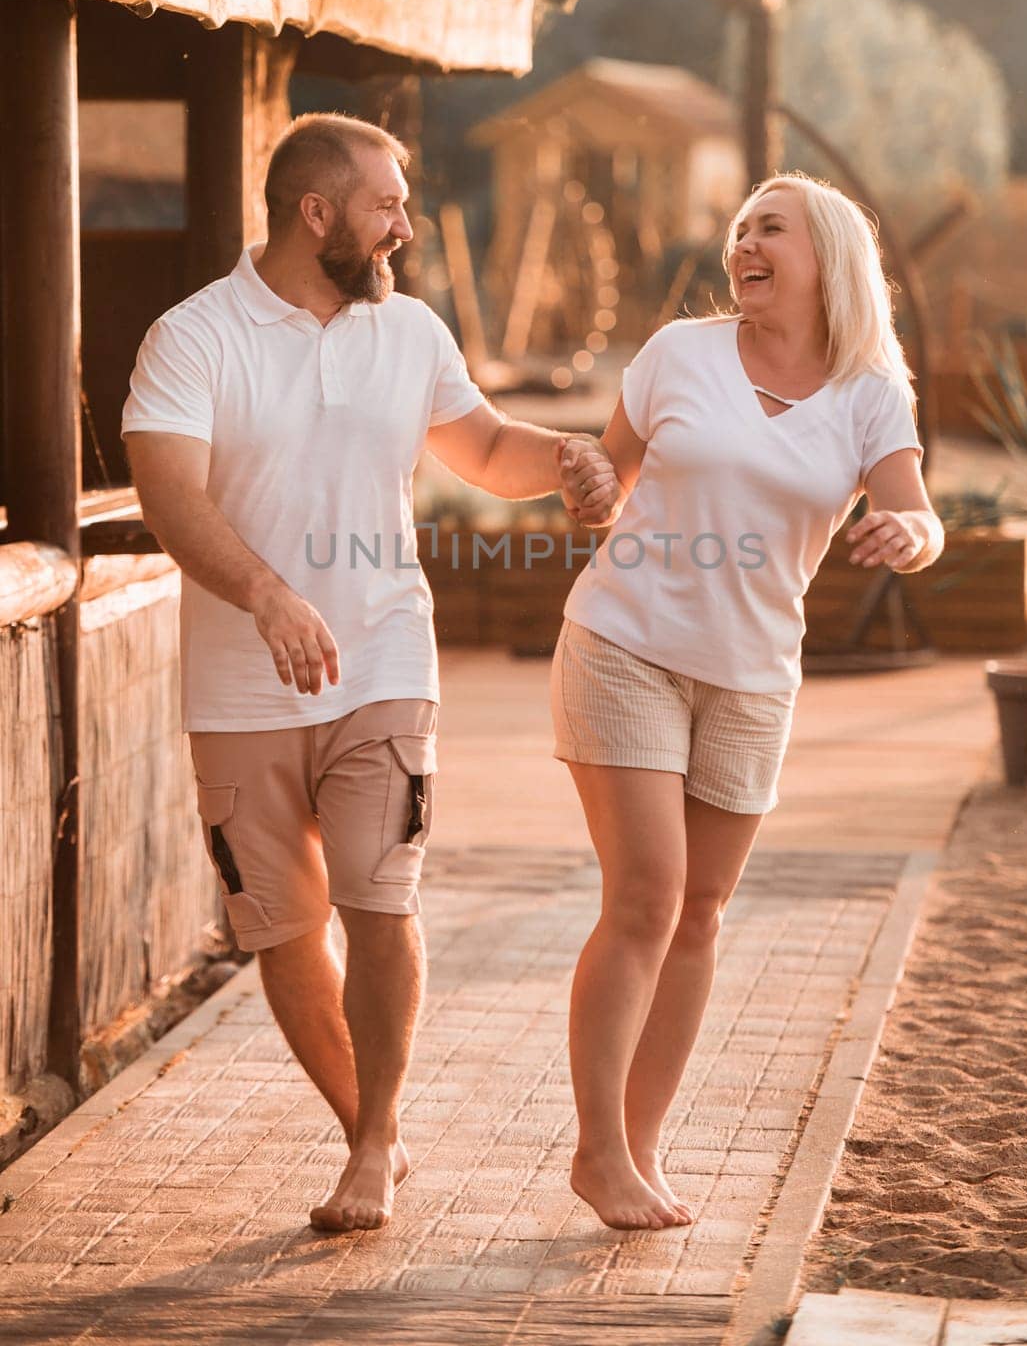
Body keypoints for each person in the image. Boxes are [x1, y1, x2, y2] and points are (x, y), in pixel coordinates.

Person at [121, 113, 616, 1234]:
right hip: (240, 685)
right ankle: (368, 1141)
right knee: (284, 931)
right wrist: (265, 593)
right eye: (386, 204)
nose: (405, 225)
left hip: (385, 659)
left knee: (376, 899)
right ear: (317, 213)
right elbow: (170, 496)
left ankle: (378, 1136)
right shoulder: (193, 338)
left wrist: (567, 459)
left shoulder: (410, 332)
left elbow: (482, 446)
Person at [550, 171, 945, 1232]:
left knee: (699, 914)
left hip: (753, 674)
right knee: (645, 895)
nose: (743, 246)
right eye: (736, 231)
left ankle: (637, 1146)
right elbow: (606, 481)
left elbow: (917, 514)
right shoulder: (676, 354)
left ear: (825, 254)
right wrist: (588, 478)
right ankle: (595, 1152)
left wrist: (908, 535)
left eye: (767, 228)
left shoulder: (870, 391)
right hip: (624, 643)